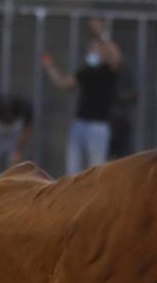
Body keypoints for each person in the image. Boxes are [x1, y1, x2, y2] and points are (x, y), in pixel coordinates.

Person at [43, 17, 121, 174]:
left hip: (98, 126)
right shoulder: (85, 72)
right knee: (73, 170)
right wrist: (49, 66)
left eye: (96, 49)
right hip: (79, 124)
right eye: (91, 49)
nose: (92, 51)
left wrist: (101, 33)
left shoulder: (109, 71)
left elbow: (116, 56)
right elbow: (63, 82)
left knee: (96, 170)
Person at [0, 94, 33, 184]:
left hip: (14, 136)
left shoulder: (24, 107)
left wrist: (18, 152)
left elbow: (26, 131)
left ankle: (14, 191)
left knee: (16, 165)